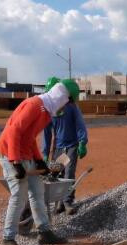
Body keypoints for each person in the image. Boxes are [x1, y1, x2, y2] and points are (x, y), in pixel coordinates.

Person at [0, 79, 80, 245]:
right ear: (62, 97)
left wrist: (39, 161)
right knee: (19, 194)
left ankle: (44, 232)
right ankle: (8, 237)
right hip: (9, 152)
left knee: (37, 191)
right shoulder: (35, 105)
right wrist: (15, 161)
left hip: (24, 154)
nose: (66, 107)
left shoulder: (46, 111)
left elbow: (30, 137)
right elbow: (14, 131)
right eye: (68, 102)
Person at [42, 76, 88, 215]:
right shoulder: (51, 111)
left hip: (72, 146)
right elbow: (46, 133)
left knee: (68, 174)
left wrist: (82, 142)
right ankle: (59, 203)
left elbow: (80, 125)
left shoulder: (72, 107)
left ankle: (68, 202)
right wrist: (45, 153)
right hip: (59, 148)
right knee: (56, 175)